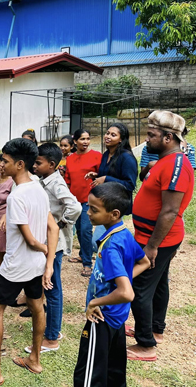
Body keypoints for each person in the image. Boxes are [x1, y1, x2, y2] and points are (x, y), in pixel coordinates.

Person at [0, 138, 58, 385]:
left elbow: (30, 240)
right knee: (37, 306)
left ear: (20, 164)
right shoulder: (38, 187)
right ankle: (35, 359)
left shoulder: (16, 196)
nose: (1, 164)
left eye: (6, 161)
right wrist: (49, 262)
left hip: (15, 266)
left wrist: (44, 250)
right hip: (36, 266)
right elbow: (53, 228)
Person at [127, 111, 194, 362]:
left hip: (158, 240)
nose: (147, 139)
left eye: (151, 135)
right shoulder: (164, 161)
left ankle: (146, 345)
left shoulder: (177, 165)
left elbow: (170, 211)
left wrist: (152, 246)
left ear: (168, 137)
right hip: (151, 237)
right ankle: (155, 329)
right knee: (158, 284)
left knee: (139, 288)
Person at [73, 182, 150, 387]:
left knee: (88, 377)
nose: (88, 213)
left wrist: (95, 302)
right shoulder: (123, 233)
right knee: (113, 373)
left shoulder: (111, 246)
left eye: (94, 209)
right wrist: (123, 281)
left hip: (102, 317)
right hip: (118, 317)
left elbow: (126, 293)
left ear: (114, 214)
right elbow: (144, 262)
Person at [28, 143, 81, 354]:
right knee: (47, 285)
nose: (34, 166)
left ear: (51, 164)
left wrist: (61, 223)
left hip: (54, 243)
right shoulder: (44, 180)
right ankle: (50, 326)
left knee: (52, 288)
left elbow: (75, 206)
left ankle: (51, 337)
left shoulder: (56, 183)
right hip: (47, 241)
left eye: (38, 163)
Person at [85, 123, 138, 251]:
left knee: (97, 242)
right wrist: (97, 176)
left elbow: (130, 185)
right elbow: (110, 174)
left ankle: (124, 253)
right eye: (107, 133)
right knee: (105, 241)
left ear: (121, 139)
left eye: (113, 135)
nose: (108, 136)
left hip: (115, 204)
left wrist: (106, 179)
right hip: (104, 202)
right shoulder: (106, 154)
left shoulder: (127, 157)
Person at [65, 129, 102, 277]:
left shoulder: (97, 156)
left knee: (86, 230)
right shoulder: (70, 159)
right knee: (80, 230)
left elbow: (102, 175)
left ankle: (87, 263)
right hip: (74, 200)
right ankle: (82, 254)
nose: (85, 142)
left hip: (90, 200)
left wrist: (96, 176)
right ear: (75, 141)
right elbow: (68, 180)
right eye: (82, 139)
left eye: (87, 138)